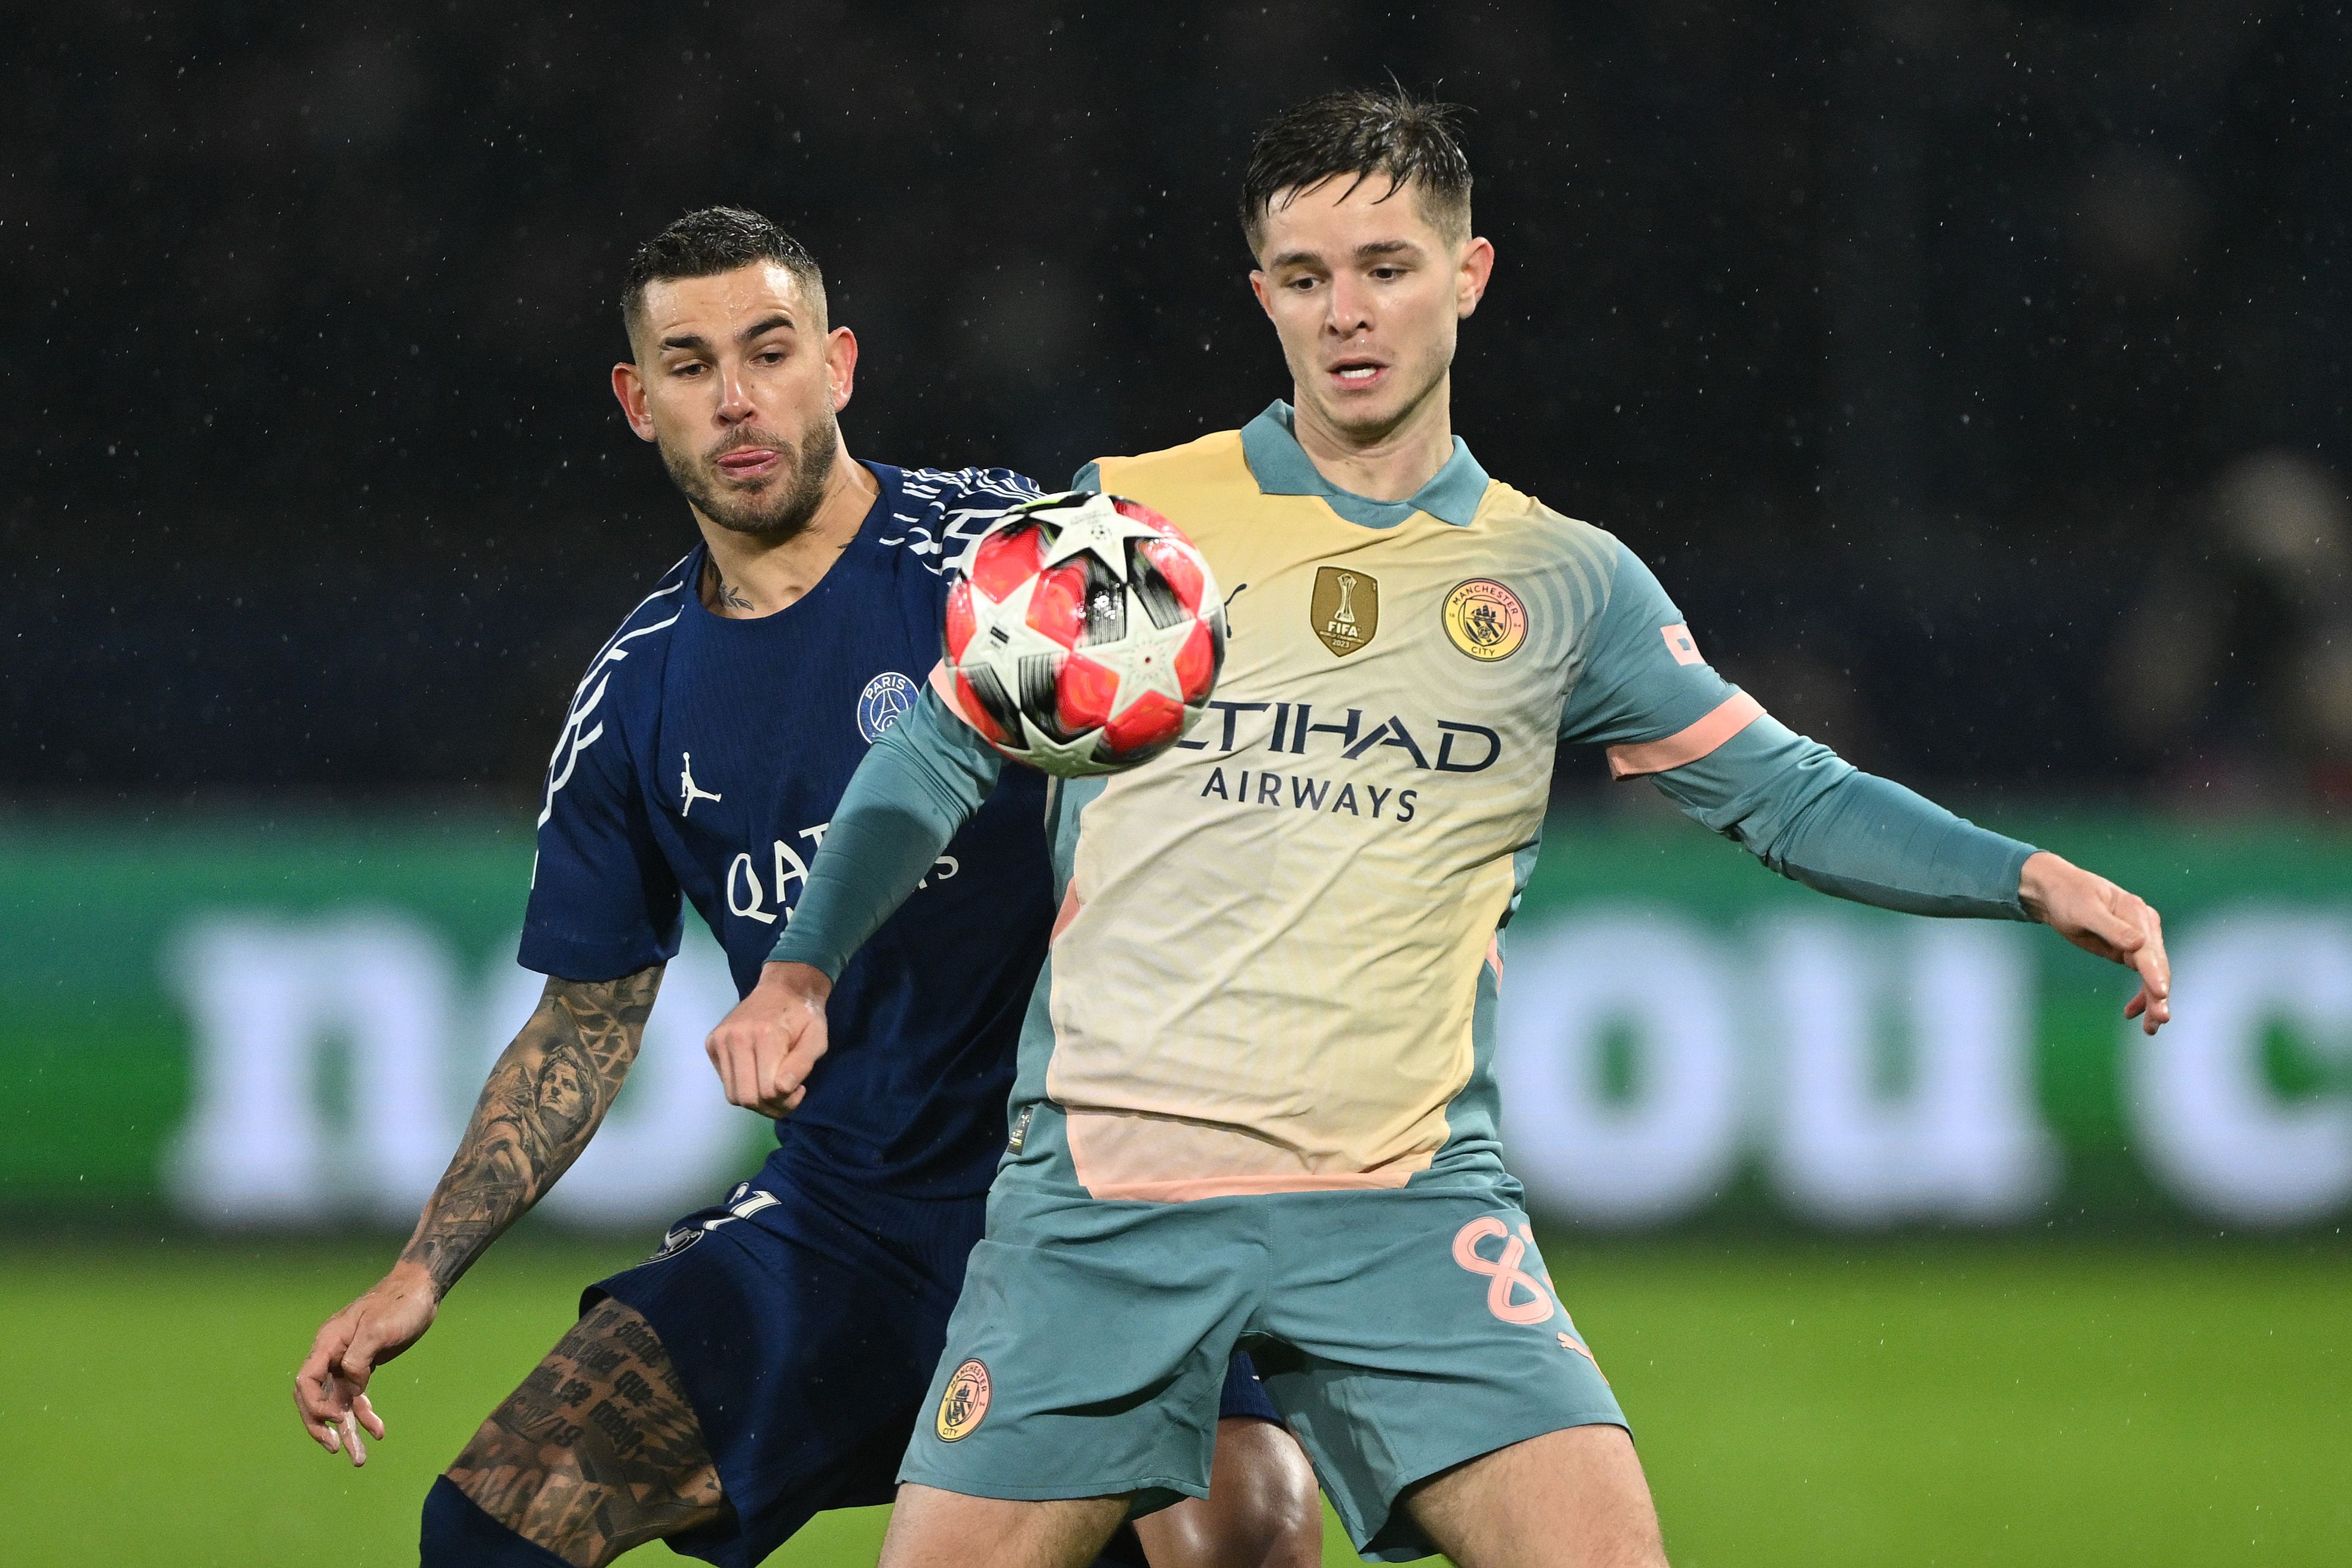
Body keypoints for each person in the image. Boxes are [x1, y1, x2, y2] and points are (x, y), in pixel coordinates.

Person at [708, 91, 2178, 1568]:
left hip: (1407, 1216)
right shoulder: (1133, 524)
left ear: (1467, 277)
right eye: (1305, 278)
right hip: (1105, 1208)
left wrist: (2028, 877)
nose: (1348, 314)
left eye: (1388, 268)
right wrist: (801, 967)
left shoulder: (1559, 580)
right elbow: (935, 755)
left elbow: (1784, 789)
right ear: (1264, 297)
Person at [290, 207, 1321, 1568]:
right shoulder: (636, 697)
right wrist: (424, 1266)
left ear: (837, 364)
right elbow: (585, 1023)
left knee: (1247, 1531)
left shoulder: (1004, 565)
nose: (734, 399)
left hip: (1092, 1205)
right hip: (846, 1222)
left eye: (769, 351)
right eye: (689, 364)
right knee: (493, 1523)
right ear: (635, 401)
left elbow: (1231, 716)